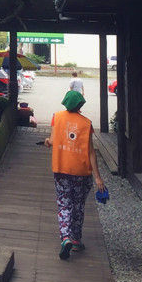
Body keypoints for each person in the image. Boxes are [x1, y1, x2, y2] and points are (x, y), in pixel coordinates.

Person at [44, 89, 105, 260]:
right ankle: (76, 239)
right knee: (78, 205)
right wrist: (98, 176)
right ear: (80, 105)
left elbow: (53, 141)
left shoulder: (57, 117)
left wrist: (48, 142)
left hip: (61, 169)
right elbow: (91, 152)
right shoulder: (87, 123)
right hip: (81, 171)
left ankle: (65, 238)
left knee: (64, 204)